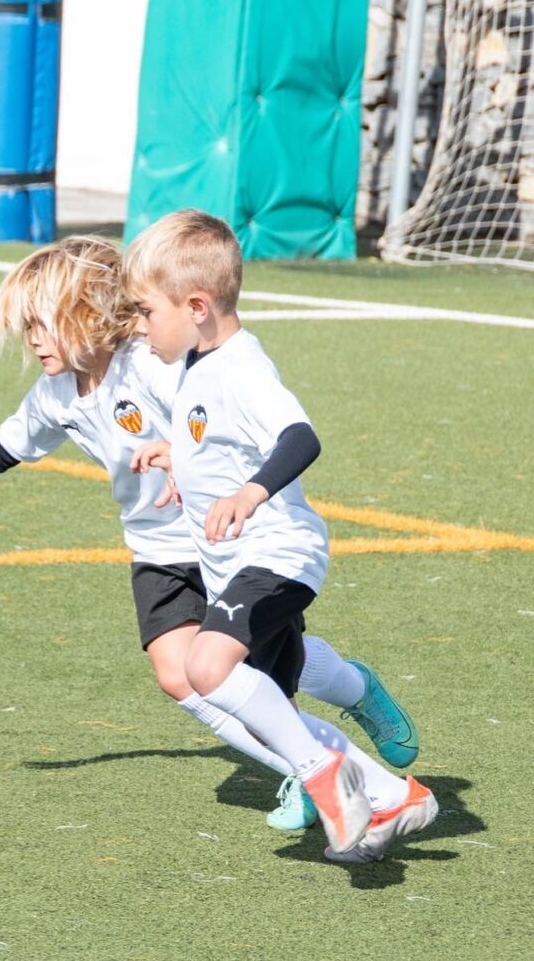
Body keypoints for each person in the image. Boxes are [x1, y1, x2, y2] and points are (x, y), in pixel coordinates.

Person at [0, 236, 415, 840]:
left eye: (43, 324)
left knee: (255, 675)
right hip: (157, 550)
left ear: (88, 314)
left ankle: (356, 733)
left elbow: (219, 421)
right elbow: (6, 444)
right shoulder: (58, 392)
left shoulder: (154, 362)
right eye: (26, 327)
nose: (32, 340)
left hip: (223, 539)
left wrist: (190, 466)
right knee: (179, 673)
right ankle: (309, 766)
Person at [122, 209, 437, 862]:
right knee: (273, 693)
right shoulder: (196, 366)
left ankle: (325, 777)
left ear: (198, 306)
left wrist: (250, 492)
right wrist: (173, 452)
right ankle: (397, 799)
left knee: (206, 667)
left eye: (146, 311)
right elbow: (216, 438)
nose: (140, 326)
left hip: (277, 552)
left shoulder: (240, 368)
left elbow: (300, 435)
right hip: (233, 566)